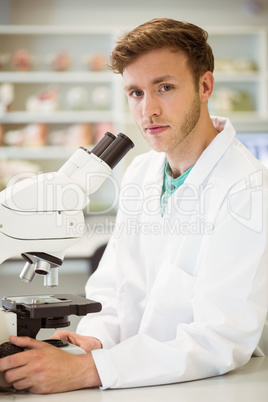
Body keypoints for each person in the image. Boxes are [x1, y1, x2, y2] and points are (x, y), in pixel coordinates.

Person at [0, 18, 268, 394]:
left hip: (203, 386)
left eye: (165, 88)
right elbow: (114, 287)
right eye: (136, 93)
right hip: (132, 377)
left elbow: (219, 339)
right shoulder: (142, 170)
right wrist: (92, 341)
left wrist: (87, 371)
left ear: (205, 86)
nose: (148, 111)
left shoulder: (248, 188)